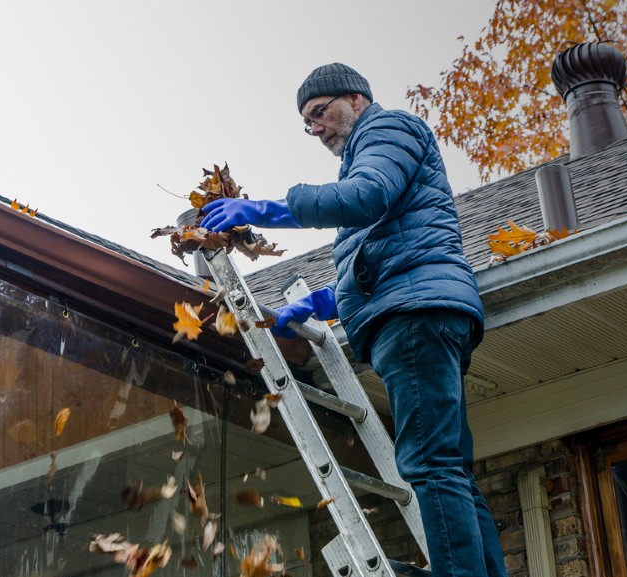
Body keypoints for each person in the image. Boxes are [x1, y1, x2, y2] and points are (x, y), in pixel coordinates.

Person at [201, 63, 507, 577]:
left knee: (429, 466)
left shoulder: (388, 130)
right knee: (449, 467)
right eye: (308, 123)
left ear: (357, 99)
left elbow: (366, 198)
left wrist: (265, 210)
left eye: (320, 113)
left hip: (411, 316)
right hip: (420, 309)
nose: (316, 129)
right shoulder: (373, 156)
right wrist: (322, 303)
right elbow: (386, 251)